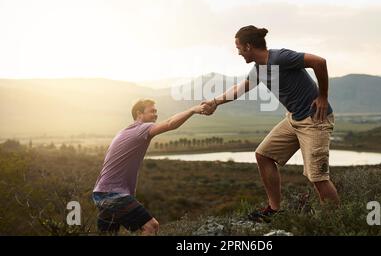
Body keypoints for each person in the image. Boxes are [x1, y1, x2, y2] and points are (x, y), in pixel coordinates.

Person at [202, 25, 339, 222]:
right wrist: (215, 102)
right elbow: (240, 89)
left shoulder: (280, 57)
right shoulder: (259, 69)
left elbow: (319, 62)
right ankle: (274, 210)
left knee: (317, 177)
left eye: (239, 47)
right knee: (263, 155)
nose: (238, 52)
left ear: (248, 46)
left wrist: (323, 96)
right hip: (294, 119)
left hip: (315, 120)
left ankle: (337, 221)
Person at [92, 99, 210, 235]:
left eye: (156, 111)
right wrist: (192, 110)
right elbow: (170, 123)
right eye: (152, 111)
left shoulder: (124, 131)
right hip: (113, 194)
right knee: (151, 226)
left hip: (100, 192)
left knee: (109, 234)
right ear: (139, 114)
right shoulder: (142, 128)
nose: (155, 115)